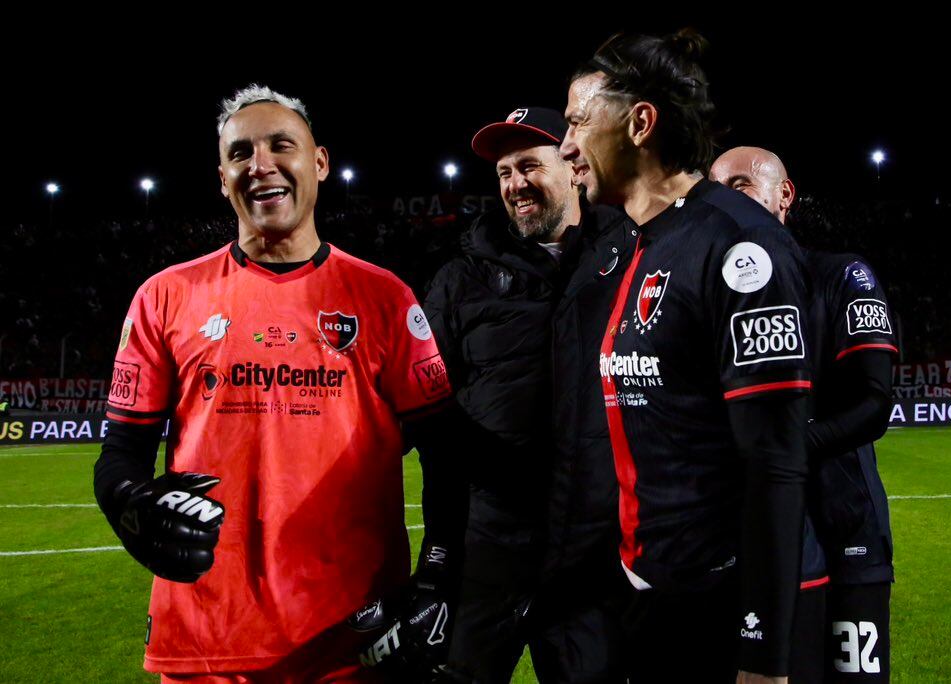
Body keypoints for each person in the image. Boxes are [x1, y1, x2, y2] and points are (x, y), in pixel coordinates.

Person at [93, 85, 463, 683]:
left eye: (280, 145)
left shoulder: (386, 298)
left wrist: (438, 578)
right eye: (240, 153)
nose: (260, 164)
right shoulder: (164, 297)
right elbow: (121, 452)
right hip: (205, 643)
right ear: (223, 179)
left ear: (319, 162)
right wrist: (128, 505)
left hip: (355, 643)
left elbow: (447, 455)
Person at [560, 30, 812, 683]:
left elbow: (774, 460)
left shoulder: (739, 245)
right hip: (645, 597)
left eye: (578, 123)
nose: (566, 147)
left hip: (717, 612)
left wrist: (763, 653)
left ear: (640, 123)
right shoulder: (632, 243)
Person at [424, 107, 634, 683]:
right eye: (504, 172)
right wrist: (438, 553)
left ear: (573, 168)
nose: (514, 183)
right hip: (489, 548)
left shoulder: (631, 261)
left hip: (593, 554)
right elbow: (431, 422)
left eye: (529, 166)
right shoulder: (459, 281)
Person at [711, 147, 896, 682]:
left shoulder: (840, 275)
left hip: (845, 527)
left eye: (741, 186)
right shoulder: (710, 292)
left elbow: (873, 404)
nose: (725, 201)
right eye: (715, 190)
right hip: (763, 534)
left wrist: (783, 446)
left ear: (783, 195)